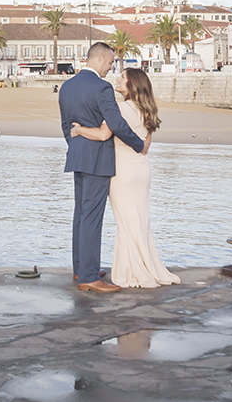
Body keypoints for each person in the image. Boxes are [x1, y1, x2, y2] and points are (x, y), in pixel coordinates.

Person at [70, 67, 178, 289]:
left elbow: (102, 135)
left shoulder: (119, 109)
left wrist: (79, 130)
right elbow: (146, 144)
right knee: (139, 220)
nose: (117, 79)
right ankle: (146, 265)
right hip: (142, 171)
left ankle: (131, 270)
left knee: (126, 223)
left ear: (132, 85)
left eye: (122, 77)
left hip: (123, 173)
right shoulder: (148, 110)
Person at [58, 42, 145, 294]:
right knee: (92, 217)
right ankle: (88, 276)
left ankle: (80, 267)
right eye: (110, 62)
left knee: (80, 215)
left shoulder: (67, 86)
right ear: (100, 58)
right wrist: (139, 144)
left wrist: (76, 146)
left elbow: (66, 126)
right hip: (98, 159)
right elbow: (116, 123)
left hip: (78, 156)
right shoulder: (101, 87)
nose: (110, 68)